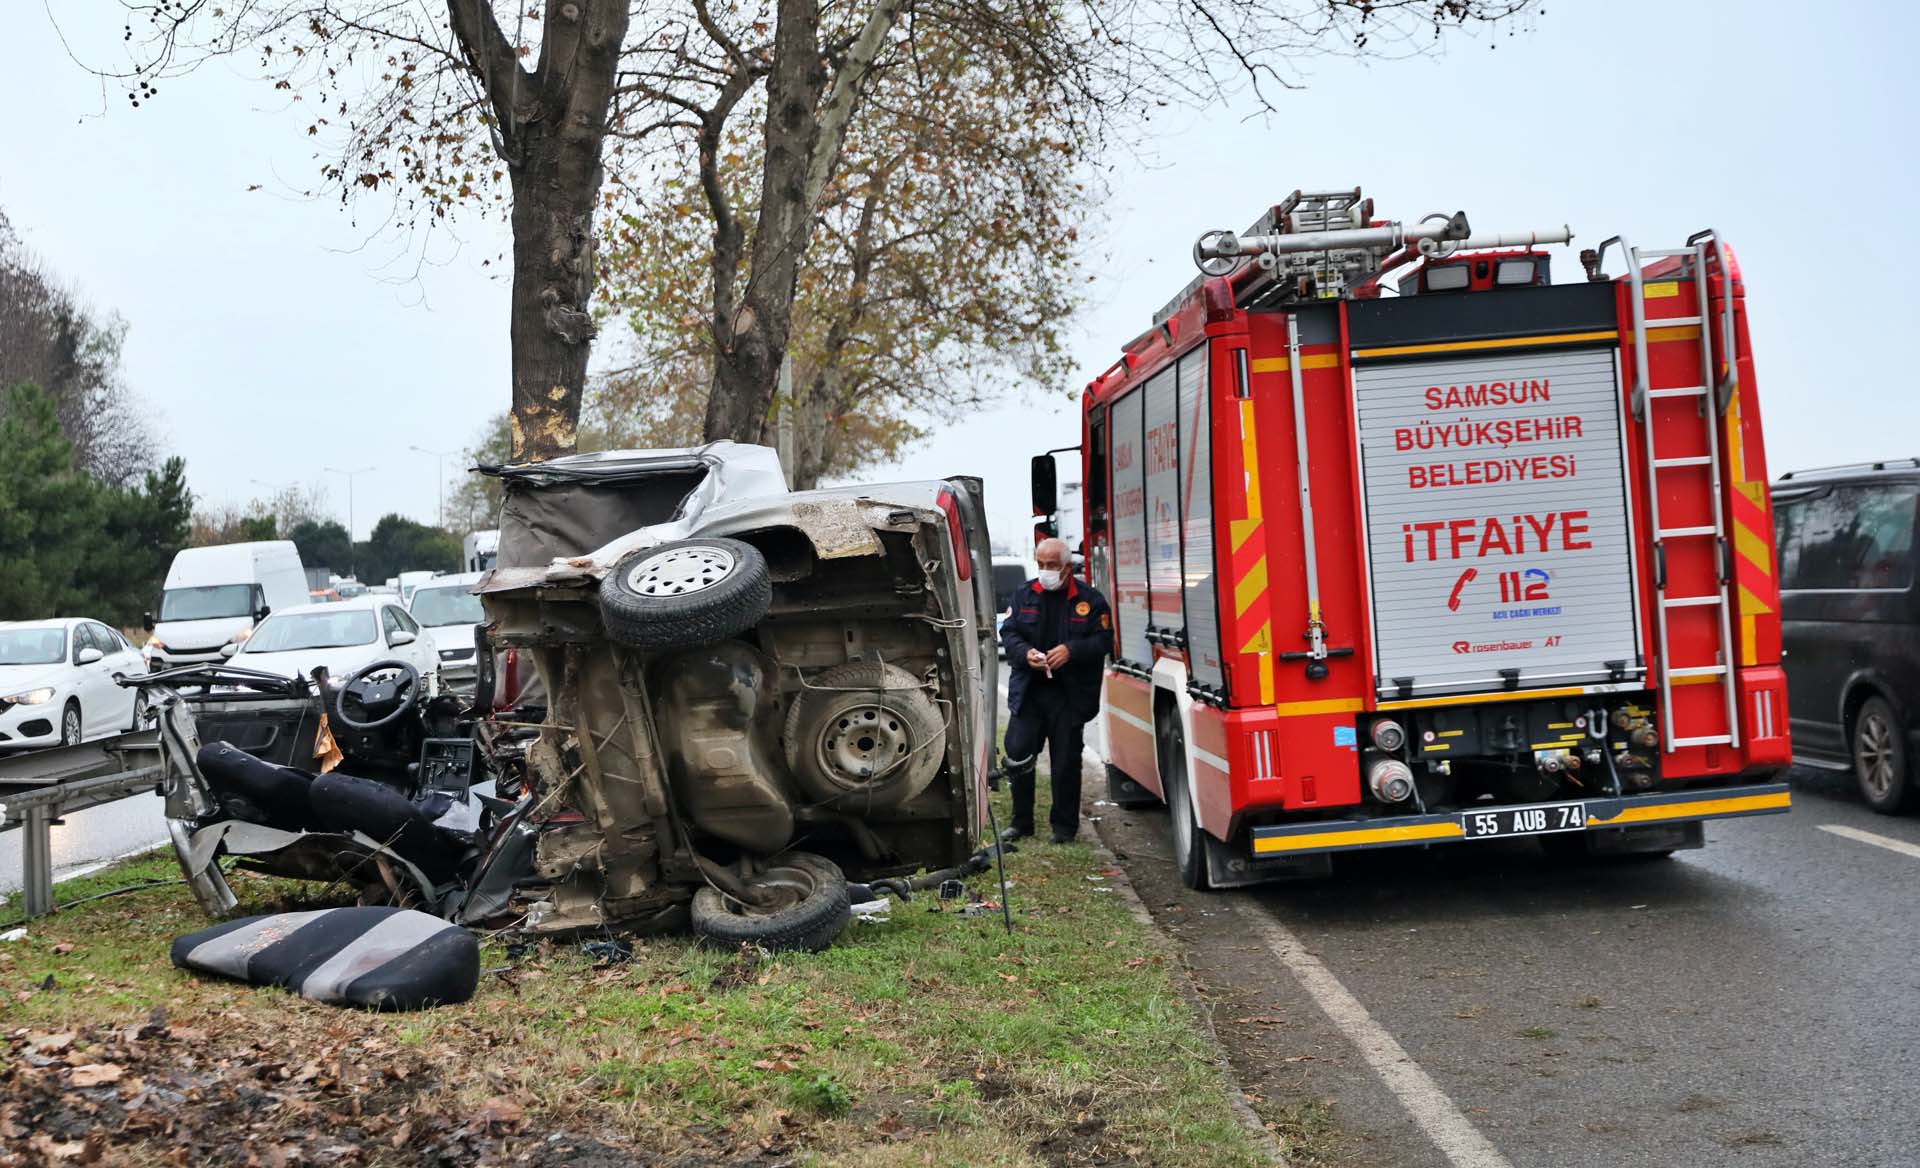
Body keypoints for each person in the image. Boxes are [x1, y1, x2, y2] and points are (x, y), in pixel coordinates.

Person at [999, 538, 1112, 843]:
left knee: (1065, 763)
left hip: (1069, 695)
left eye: (1052, 565)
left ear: (1067, 567)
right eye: (1041, 565)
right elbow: (1009, 633)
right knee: (1019, 756)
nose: (1046, 571)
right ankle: (1021, 823)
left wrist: (1071, 650)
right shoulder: (1024, 594)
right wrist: (1026, 654)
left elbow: (1104, 641)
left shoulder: (1091, 600)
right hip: (1031, 692)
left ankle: (1064, 828)